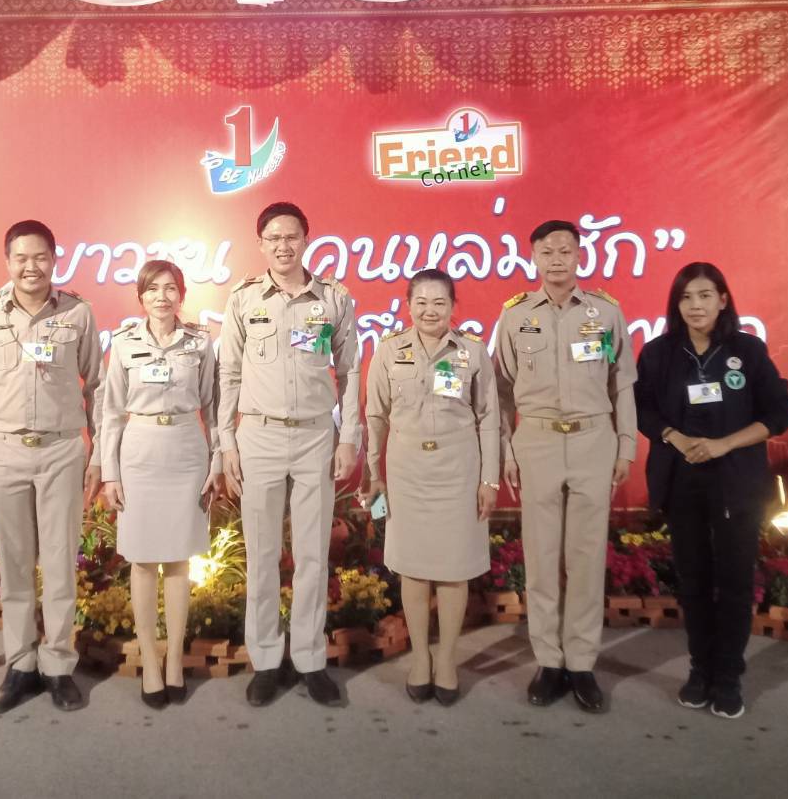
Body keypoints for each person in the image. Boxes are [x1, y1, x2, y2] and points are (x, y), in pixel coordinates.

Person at [635, 262, 788, 720]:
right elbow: (642, 408)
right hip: (681, 480)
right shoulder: (659, 353)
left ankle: (728, 676)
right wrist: (673, 436)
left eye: (705, 295)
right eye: (686, 297)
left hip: (736, 481)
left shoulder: (747, 350)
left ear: (723, 300)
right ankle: (700, 670)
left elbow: (780, 412)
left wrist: (726, 443)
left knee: (735, 581)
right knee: (693, 581)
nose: (696, 305)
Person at [217, 201, 361, 708]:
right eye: (274, 237)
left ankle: (309, 659)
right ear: (261, 244)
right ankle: (265, 660)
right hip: (258, 436)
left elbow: (350, 370)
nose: (283, 245)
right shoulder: (243, 300)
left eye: (292, 236)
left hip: (316, 437)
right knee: (261, 555)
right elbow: (228, 374)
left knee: (312, 555)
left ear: (306, 240)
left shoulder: (334, 299)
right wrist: (226, 442)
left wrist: (350, 436)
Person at [494, 218, 636, 714]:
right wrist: (507, 450)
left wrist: (625, 447)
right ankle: (548, 661)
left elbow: (622, 383)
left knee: (586, 556)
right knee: (540, 556)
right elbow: (501, 391)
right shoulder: (515, 316)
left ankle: (581, 662)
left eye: (566, 251)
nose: (557, 259)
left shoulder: (605, 312)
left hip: (594, 439)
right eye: (547, 252)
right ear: (532, 257)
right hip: (536, 441)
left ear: (579, 256)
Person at [0, 220, 102, 715]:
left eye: (40, 257)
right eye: (21, 258)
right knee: (15, 565)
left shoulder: (78, 313)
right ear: (8, 261)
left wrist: (99, 453)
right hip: (5, 453)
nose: (31, 266)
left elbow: (98, 386)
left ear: (54, 260)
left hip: (62, 452)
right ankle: (20, 664)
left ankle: (58, 665)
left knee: (60, 564)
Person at [363, 269, 498, 706]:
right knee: (414, 567)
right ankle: (421, 658)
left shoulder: (473, 352)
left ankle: (448, 660)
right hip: (406, 471)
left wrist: (489, 479)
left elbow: (489, 418)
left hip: (459, 470)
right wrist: (374, 473)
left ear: (453, 307)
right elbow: (375, 415)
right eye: (420, 302)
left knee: (454, 568)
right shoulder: (389, 351)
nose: (430, 310)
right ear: (408, 305)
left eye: (439, 302)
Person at [98, 260, 221, 708]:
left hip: (187, 451)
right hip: (140, 453)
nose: (162, 297)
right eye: (153, 289)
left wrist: (217, 460)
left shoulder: (200, 344)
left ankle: (174, 661)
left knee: (179, 560)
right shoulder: (123, 343)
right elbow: (111, 412)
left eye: (170, 289)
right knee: (144, 560)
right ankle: (150, 660)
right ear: (141, 297)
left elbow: (214, 406)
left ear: (182, 295)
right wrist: (109, 472)